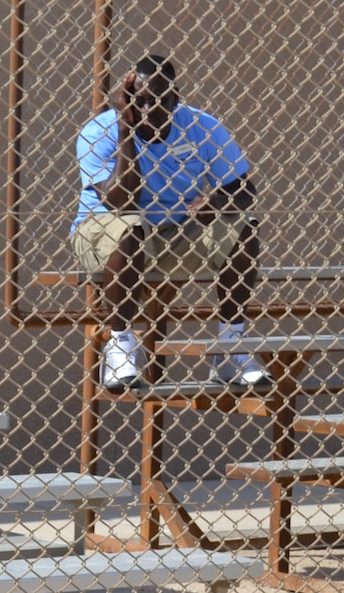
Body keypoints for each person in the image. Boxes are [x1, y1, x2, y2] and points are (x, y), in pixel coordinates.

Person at [73, 53, 264, 390]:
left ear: (176, 97)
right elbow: (120, 201)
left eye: (159, 100)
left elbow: (245, 189)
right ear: (128, 100)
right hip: (103, 231)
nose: (149, 109)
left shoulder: (202, 127)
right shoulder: (100, 131)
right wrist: (125, 129)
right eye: (140, 100)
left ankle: (231, 346)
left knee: (243, 226)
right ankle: (120, 345)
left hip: (174, 231)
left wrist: (216, 201)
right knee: (129, 224)